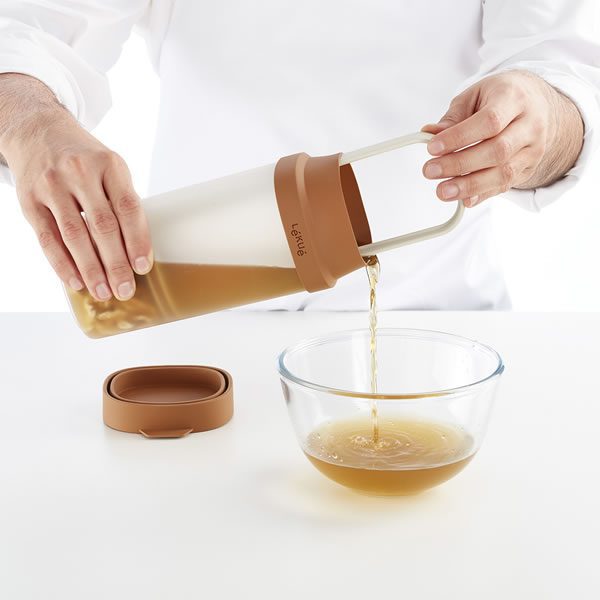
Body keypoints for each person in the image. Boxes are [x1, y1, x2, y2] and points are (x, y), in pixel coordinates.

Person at [0, 1, 598, 310]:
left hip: (433, 318)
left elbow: (560, 68)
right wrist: (33, 123)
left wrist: (541, 120)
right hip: (197, 323)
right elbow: (30, 29)